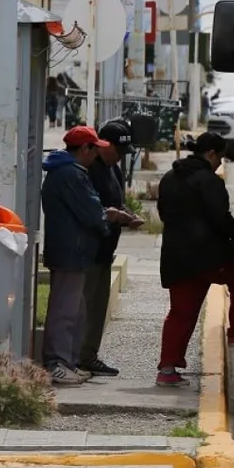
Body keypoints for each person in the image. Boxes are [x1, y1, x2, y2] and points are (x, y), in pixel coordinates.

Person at [40, 126, 134, 386]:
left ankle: (67, 362)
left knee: (75, 311)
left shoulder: (72, 172)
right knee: (65, 310)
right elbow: (90, 211)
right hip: (71, 251)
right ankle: (57, 362)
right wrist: (112, 216)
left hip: (76, 251)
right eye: (94, 148)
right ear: (84, 149)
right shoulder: (70, 174)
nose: (96, 155)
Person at [156, 132, 234, 388]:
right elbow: (222, 221)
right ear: (211, 154)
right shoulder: (209, 181)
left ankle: (167, 368)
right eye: (220, 158)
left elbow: (163, 214)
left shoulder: (170, 178)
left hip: (176, 258)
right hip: (209, 259)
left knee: (180, 313)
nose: (220, 163)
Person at [78, 119, 142, 377]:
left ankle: (89, 355)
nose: (119, 158)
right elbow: (90, 209)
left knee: (98, 307)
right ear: (103, 145)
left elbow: (117, 202)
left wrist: (128, 214)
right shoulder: (88, 168)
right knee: (84, 305)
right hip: (88, 249)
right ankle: (77, 356)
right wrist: (115, 216)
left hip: (106, 250)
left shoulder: (114, 170)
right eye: (116, 151)